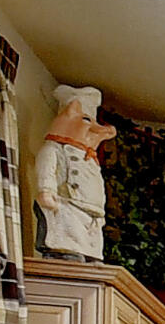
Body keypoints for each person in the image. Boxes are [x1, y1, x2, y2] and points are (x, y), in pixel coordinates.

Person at [33, 84, 113, 260]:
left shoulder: (90, 157)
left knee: (90, 252)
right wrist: (46, 190)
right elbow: (47, 167)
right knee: (67, 243)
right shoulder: (54, 149)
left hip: (91, 213)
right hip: (67, 206)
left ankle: (91, 259)